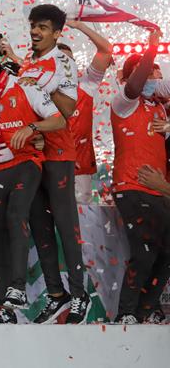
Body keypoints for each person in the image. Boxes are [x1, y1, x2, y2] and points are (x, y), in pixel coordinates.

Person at [0, 45, 67, 323]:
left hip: (26, 163)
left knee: (16, 216)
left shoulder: (25, 86)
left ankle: (18, 289)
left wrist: (31, 127)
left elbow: (58, 120)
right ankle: (6, 310)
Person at [18, 5, 89, 324]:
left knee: (65, 226)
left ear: (57, 33)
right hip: (32, 155)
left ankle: (80, 295)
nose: (35, 32)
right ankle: (56, 295)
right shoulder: (29, 62)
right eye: (34, 25)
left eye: (43, 27)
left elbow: (69, 109)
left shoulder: (63, 61)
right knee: (40, 227)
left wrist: (45, 85)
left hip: (59, 153)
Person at [109, 27, 169, 324]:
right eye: (149, 72)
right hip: (132, 186)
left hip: (161, 190)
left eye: (157, 73)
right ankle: (126, 313)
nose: (154, 78)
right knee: (144, 250)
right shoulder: (123, 102)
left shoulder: (161, 108)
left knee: (166, 254)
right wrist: (151, 48)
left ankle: (145, 311)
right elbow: (135, 85)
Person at [60, 21, 115, 204]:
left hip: (80, 170)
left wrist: (80, 26)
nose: (67, 65)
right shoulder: (40, 89)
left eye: (70, 60)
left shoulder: (85, 85)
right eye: (61, 60)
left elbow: (106, 50)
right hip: (49, 167)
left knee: (80, 217)